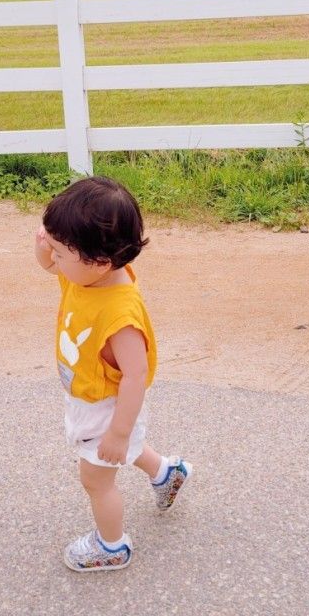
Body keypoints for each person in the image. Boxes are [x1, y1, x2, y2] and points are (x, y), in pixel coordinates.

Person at [34, 175, 192, 572]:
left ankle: (111, 546)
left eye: (59, 252)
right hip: (91, 395)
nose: (53, 260)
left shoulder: (121, 317)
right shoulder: (87, 273)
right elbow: (51, 269)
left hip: (110, 405)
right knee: (119, 452)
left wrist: (118, 432)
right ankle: (166, 473)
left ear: (99, 262)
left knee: (96, 479)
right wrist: (46, 250)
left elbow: (136, 376)